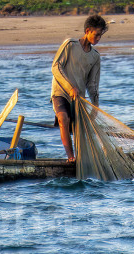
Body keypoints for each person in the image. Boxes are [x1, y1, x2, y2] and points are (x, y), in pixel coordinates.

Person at [51, 13, 107, 161]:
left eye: (100, 36)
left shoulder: (95, 56)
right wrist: (70, 87)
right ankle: (71, 158)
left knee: (80, 130)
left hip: (78, 98)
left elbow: (92, 84)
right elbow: (56, 67)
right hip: (61, 93)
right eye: (96, 35)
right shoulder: (70, 45)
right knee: (63, 118)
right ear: (87, 31)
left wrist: (95, 105)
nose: (98, 39)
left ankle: (82, 159)